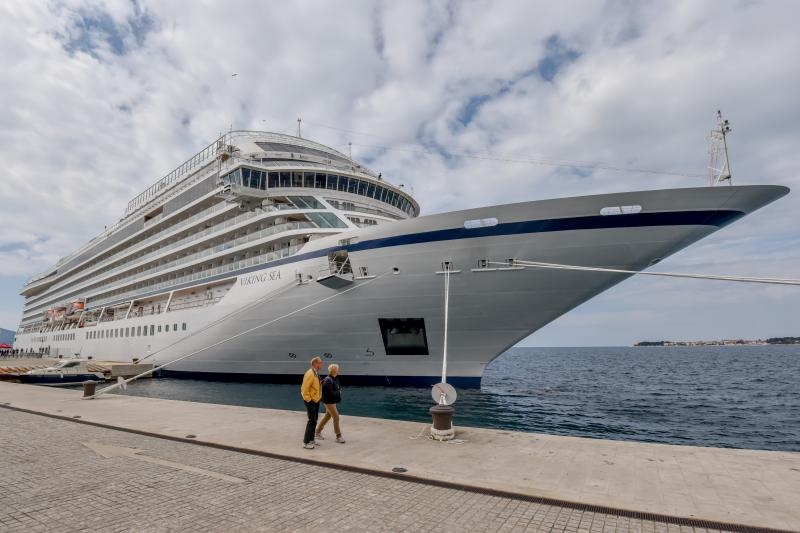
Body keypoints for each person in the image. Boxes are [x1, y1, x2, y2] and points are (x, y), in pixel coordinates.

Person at [315, 363, 345, 444]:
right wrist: (338, 392)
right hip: (329, 402)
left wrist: (338, 391)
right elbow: (329, 393)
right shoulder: (328, 380)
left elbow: (335, 389)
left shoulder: (333, 378)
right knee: (336, 417)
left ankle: (317, 432)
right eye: (337, 369)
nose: (338, 371)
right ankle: (338, 436)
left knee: (328, 416)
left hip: (332, 401)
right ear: (335, 371)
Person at [301, 356, 323, 449]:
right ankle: (305, 442)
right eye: (320, 363)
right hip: (311, 401)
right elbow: (304, 389)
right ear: (315, 364)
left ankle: (311, 440)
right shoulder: (310, 373)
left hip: (316, 400)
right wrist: (309, 400)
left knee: (315, 420)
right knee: (311, 420)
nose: (321, 364)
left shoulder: (316, 372)